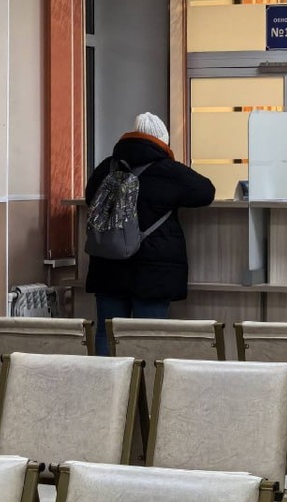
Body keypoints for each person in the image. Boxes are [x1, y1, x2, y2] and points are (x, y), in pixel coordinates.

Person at [85, 112, 215, 355]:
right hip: (153, 271)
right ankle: (143, 380)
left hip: (107, 265)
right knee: (147, 336)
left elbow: (89, 197)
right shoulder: (168, 171)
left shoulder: (107, 167)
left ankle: (106, 380)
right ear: (162, 142)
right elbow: (206, 192)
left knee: (106, 333)